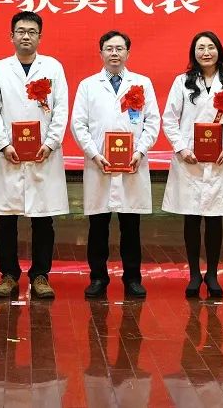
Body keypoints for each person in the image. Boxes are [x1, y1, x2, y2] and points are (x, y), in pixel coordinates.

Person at [0, 11, 70, 300]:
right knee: (6, 220)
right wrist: (3, 143)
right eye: (20, 31)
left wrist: (51, 142)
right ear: (11, 36)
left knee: (43, 219)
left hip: (44, 153)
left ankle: (41, 275)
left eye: (32, 32)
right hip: (8, 153)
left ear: (40, 37)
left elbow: (61, 109)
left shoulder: (53, 67)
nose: (26, 36)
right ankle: (8, 275)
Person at [70, 30, 161, 299]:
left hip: (132, 164)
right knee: (98, 226)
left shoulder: (142, 83)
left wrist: (140, 151)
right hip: (99, 164)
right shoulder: (88, 85)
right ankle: (98, 278)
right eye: (109, 48)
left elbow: (152, 122)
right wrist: (93, 153)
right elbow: (78, 124)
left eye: (119, 49)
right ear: (101, 53)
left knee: (130, 226)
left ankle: (132, 278)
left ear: (128, 53)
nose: (114, 53)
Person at [161, 31, 223, 299]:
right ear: (194, 53)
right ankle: (193, 274)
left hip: (220, 158)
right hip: (190, 159)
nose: (206, 52)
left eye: (211, 47)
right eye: (200, 48)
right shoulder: (182, 82)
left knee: (214, 218)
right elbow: (169, 119)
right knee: (191, 217)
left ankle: (211, 274)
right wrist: (181, 147)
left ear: (219, 51)